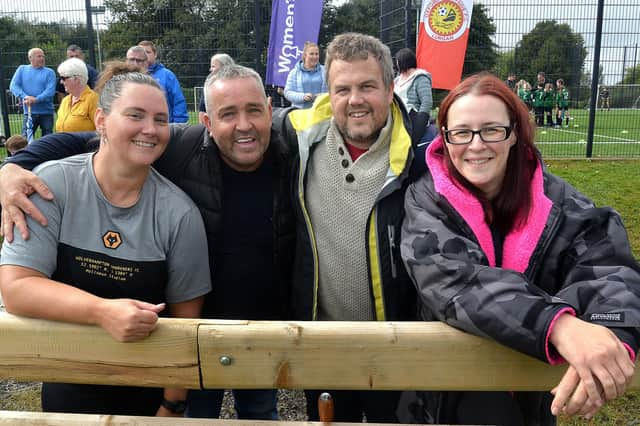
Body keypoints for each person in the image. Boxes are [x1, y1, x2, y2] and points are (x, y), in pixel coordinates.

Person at [0, 64, 296, 421]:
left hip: (257, 327)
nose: (243, 124)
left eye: (159, 119)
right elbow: (82, 143)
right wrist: (10, 168)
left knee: (260, 410)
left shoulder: (292, 153)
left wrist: (172, 403)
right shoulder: (57, 184)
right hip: (113, 361)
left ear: (269, 108)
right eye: (227, 114)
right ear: (206, 122)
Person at [401, 73, 639, 424]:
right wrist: (560, 326)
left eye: (491, 130)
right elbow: (455, 281)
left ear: (514, 133)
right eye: (461, 132)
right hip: (441, 400)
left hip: (531, 401)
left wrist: (611, 334)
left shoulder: (559, 202)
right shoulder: (425, 200)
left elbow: (610, 269)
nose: (476, 144)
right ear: (446, 139)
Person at [283, 32, 425, 423]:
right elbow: (232, 131)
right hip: (324, 343)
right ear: (328, 93)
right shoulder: (298, 140)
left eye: (367, 86)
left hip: (397, 343)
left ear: (390, 86)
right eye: (342, 89)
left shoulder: (422, 157)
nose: (355, 99)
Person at [9, 47, 57, 138]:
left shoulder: (50, 72)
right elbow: (13, 86)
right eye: (39, 56)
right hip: (29, 113)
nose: (42, 58)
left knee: (48, 140)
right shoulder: (22, 69)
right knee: (25, 139)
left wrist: (36, 99)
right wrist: (26, 97)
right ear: (30, 58)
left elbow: (50, 91)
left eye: (43, 56)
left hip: (46, 113)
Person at [138, 40, 189, 123]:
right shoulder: (132, 75)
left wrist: (178, 126)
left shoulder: (167, 75)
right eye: (142, 53)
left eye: (148, 52)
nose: (145, 55)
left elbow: (178, 101)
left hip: (164, 126)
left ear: (155, 54)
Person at [393, 47, 433, 143]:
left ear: (402, 62)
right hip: (396, 117)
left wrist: (420, 123)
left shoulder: (420, 78)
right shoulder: (397, 79)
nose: (396, 64)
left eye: (397, 61)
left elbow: (427, 102)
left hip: (412, 118)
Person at [55, 57, 98, 132]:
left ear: (77, 79)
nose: (61, 82)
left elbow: (101, 130)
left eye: (63, 78)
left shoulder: (93, 99)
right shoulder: (65, 101)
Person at [284, 41, 327, 109]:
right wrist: (302, 97)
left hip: (321, 112)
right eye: (311, 54)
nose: (315, 56)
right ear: (305, 55)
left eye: (317, 54)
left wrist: (322, 96)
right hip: (300, 113)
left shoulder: (325, 71)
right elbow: (287, 93)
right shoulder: (294, 72)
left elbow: (332, 91)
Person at [198, 53, 235, 124]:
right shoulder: (209, 85)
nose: (210, 69)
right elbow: (202, 109)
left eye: (213, 66)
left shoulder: (237, 85)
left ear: (225, 67)